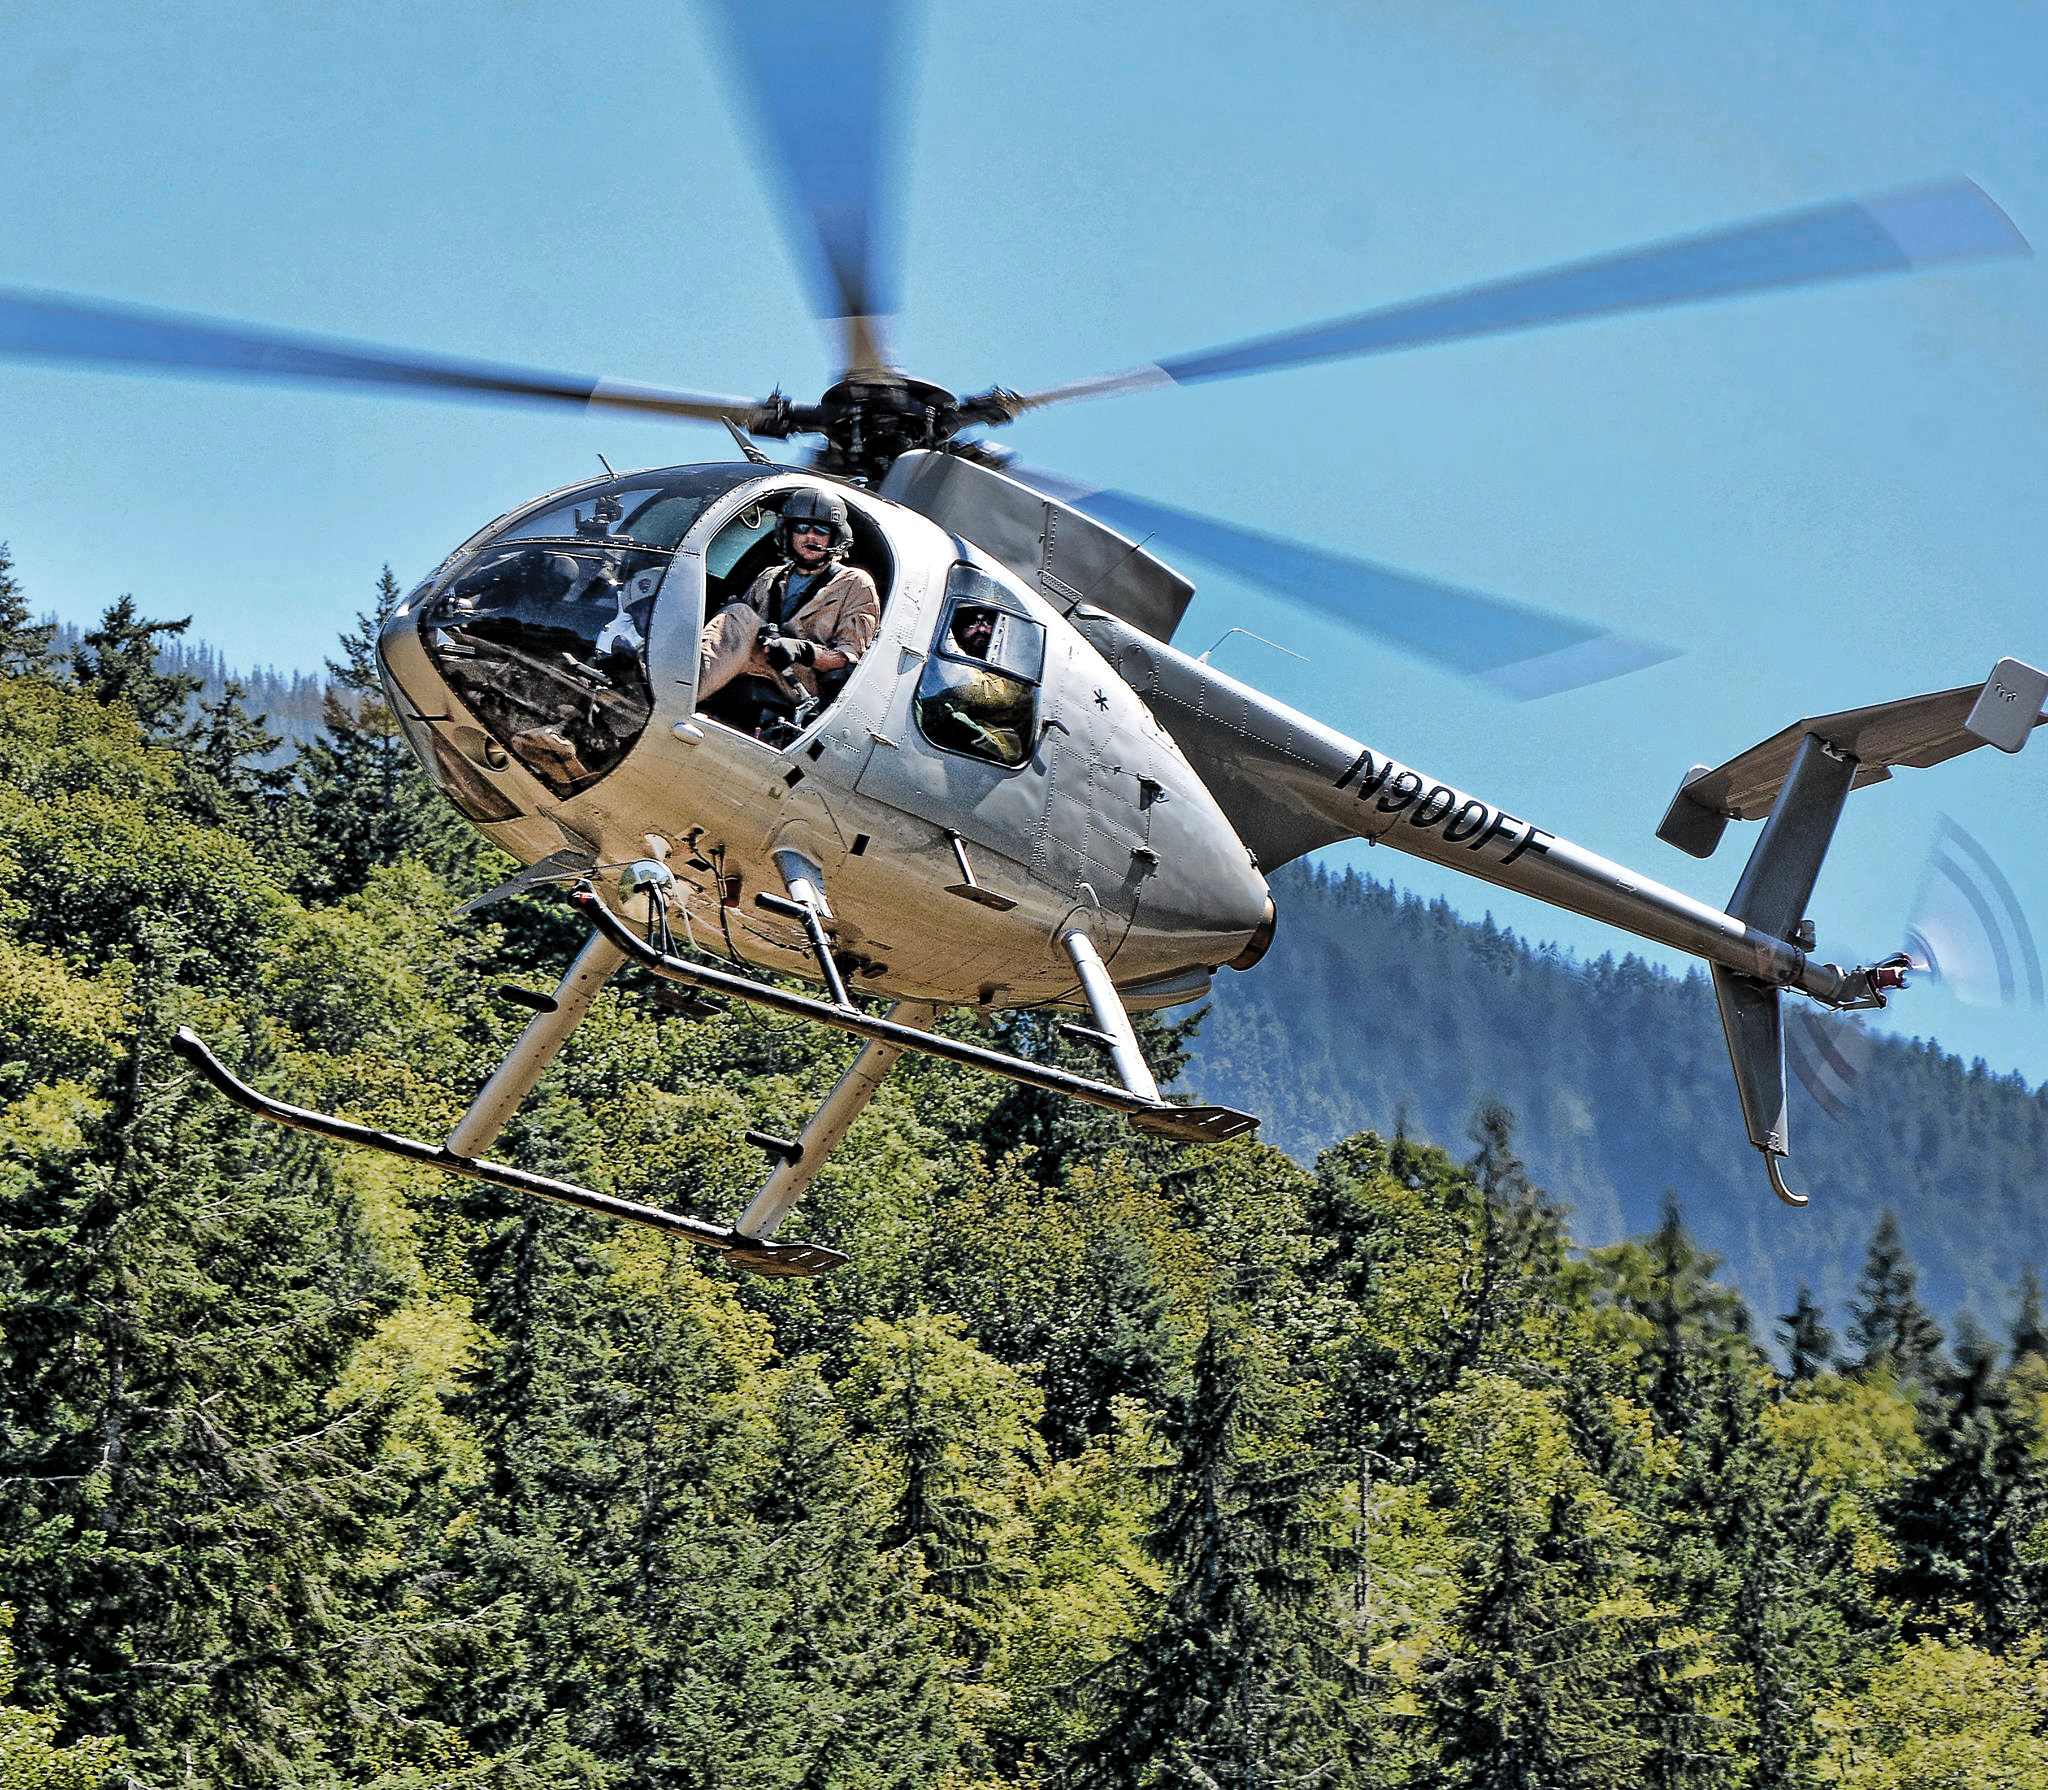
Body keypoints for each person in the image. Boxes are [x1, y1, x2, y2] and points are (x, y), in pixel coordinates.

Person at [697, 487, 880, 716]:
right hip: (759, 662)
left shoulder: (854, 583)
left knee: (738, 615)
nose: (810, 536)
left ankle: (679, 692)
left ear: (835, 537)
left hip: (805, 684)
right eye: (802, 528)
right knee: (733, 612)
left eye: (821, 530)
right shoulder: (770, 577)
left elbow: (850, 659)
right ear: (789, 533)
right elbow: (738, 631)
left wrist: (803, 650)